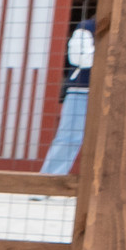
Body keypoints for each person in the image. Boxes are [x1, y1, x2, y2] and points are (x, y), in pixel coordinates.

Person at [40, 16, 95, 181]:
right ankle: (47, 183)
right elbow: (80, 59)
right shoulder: (86, 27)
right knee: (69, 138)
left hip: (113, 92)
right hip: (81, 91)